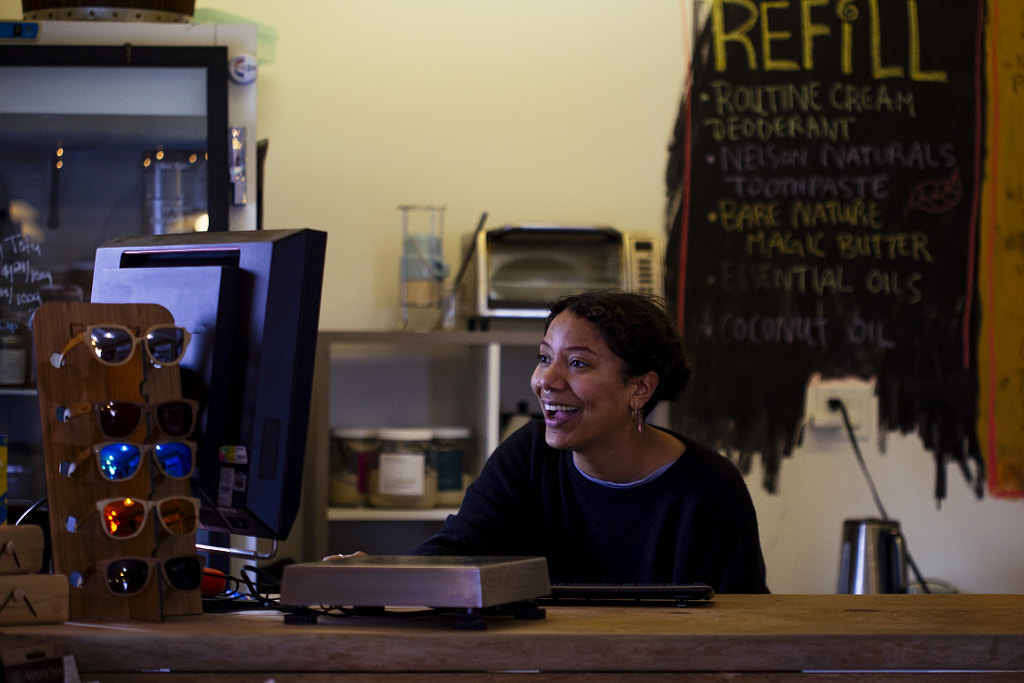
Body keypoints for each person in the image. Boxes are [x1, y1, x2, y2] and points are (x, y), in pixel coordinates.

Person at [412, 289, 769, 594]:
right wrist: (385, 574)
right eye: (544, 358)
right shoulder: (529, 455)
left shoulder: (710, 489)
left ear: (640, 388)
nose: (545, 380)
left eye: (578, 363)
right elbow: (457, 549)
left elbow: (743, 625)